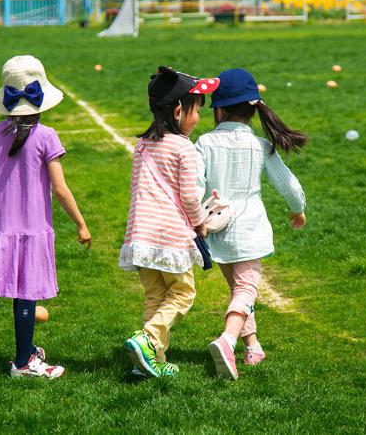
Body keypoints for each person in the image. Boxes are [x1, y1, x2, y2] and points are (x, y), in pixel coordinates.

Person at [0, 56, 91, 379]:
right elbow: (60, 189)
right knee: (27, 291)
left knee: (21, 291)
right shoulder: (47, 136)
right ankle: (24, 363)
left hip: (6, 227)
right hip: (34, 227)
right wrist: (81, 223)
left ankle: (26, 350)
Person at [196, 68, 307, 380]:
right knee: (245, 290)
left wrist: (194, 219)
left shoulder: (205, 142)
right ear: (253, 109)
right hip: (249, 228)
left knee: (238, 290)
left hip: (216, 227)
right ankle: (227, 341)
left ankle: (253, 346)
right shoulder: (260, 144)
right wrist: (298, 210)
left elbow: (191, 186)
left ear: (219, 109)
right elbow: (289, 185)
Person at [119, 66, 220, 378]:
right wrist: (201, 221)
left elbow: (138, 187)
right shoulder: (183, 147)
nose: (198, 118)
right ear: (179, 111)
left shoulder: (143, 144)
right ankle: (148, 339)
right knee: (182, 292)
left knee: (154, 296)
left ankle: (153, 361)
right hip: (169, 235)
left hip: (140, 233)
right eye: (196, 111)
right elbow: (190, 196)